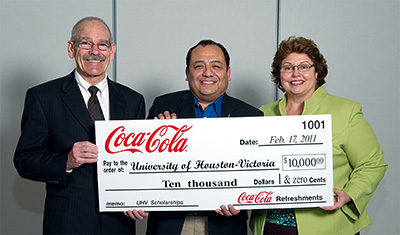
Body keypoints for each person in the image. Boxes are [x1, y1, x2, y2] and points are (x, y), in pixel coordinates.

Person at [14, 16, 145, 234]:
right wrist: (65, 160)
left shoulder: (133, 100)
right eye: (86, 43)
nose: (95, 51)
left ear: (112, 51)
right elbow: (25, 160)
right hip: (68, 223)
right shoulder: (43, 97)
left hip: (119, 224)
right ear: (71, 48)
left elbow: (141, 162)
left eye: (102, 44)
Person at [250, 36, 388, 235]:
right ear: (279, 74)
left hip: (329, 226)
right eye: (287, 67)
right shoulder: (262, 114)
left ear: (317, 72)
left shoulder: (346, 111)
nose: (295, 73)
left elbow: (373, 163)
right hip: (271, 226)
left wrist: (349, 194)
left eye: (304, 66)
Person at [137, 40, 263, 234]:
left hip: (225, 224)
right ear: (187, 74)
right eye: (198, 66)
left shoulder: (251, 115)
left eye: (216, 66)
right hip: (171, 223)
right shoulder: (163, 106)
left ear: (228, 73)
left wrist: (244, 199)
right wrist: (159, 140)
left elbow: (259, 175)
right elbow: (140, 164)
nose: (207, 73)